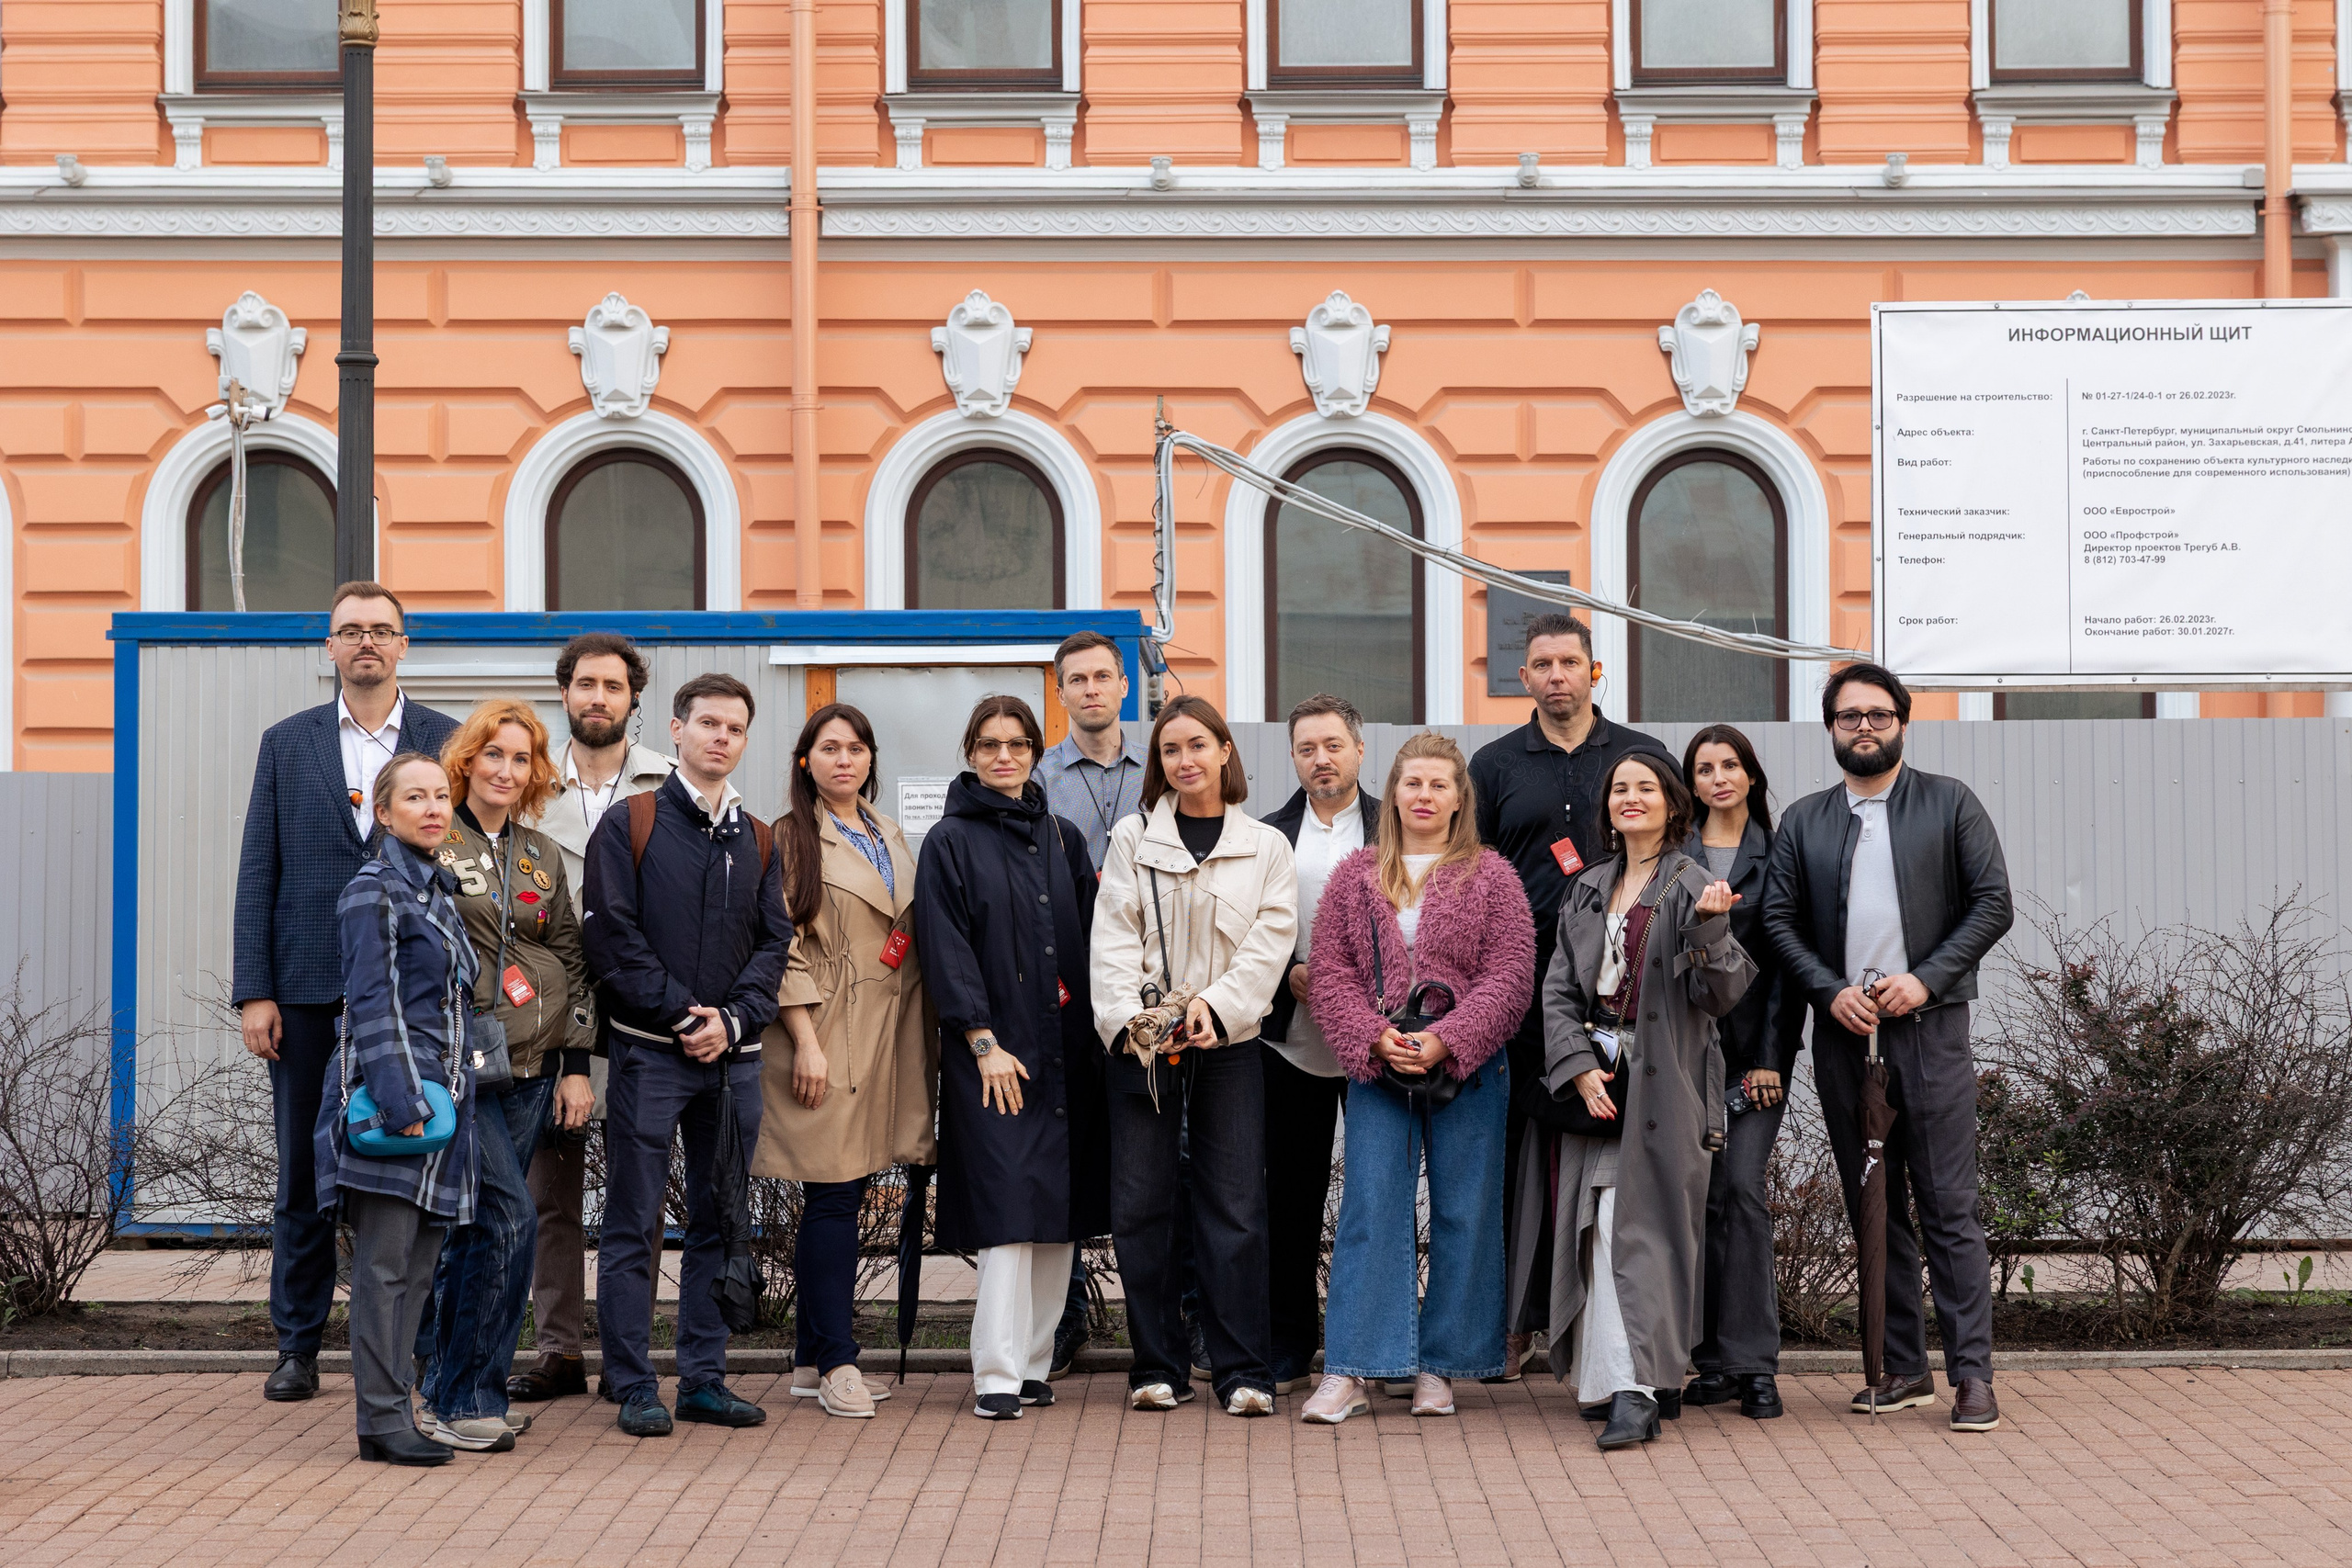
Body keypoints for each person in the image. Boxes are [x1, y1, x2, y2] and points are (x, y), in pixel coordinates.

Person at [1762, 661, 2015, 1434]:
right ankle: (1905, 1369)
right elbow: (1777, 919)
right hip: (1846, 1034)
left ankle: (1973, 1375)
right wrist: (1824, 988)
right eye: (1848, 716)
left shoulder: (1949, 803)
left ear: (1902, 720)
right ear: (1831, 727)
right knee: (1874, 1203)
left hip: (1927, 1030)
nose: (1863, 726)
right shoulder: (1805, 819)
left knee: (1948, 1206)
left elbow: (1992, 902)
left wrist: (1929, 979)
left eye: (1877, 713)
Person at [233, 581, 458, 1404]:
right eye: (350, 631)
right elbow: (260, 868)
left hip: (409, 1000)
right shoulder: (286, 743)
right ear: (328, 647)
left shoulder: (445, 739)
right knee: (303, 1174)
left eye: (381, 630)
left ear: (405, 643)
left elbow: (461, 860)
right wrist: (254, 990)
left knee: (418, 1170)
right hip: (303, 988)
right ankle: (297, 1345)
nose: (366, 642)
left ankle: (420, 1347)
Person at [1509, 750, 1751, 1451]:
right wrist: (1578, 1065)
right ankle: (1606, 1379)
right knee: (1589, 1223)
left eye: (1646, 787)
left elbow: (1722, 996)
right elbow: (1556, 990)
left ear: (1672, 804)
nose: (1631, 797)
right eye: (1620, 789)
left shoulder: (1694, 882)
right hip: (1596, 1084)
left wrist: (1711, 931)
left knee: (1630, 1225)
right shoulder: (1587, 885)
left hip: (1663, 1088)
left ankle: (1638, 1389)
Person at [1299, 733, 1534, 1424]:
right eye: (1413, 784)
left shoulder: (1492, 875)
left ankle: (1443, 1365)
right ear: (1393, 792)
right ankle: (1351, 1366)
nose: (1425, 796)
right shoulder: (1356, 873)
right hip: (1379, 1070)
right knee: (1372, 1211)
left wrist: (1445, 1039)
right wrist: (1374, 1036)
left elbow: (1511, 976)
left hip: (1468, 1069)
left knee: (1467, 1212)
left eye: (1439, 784)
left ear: (1460, 796)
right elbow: (1332, 970)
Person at [581, 672, 793, 1438]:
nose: (720, 738)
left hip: (731, 1061)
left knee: (719, 1219)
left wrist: (731, 1021)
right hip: (650, 1056)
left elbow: (775, 944)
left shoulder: (759, 837)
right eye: (707, 723)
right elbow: (610, 938)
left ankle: (704, 1377)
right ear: (674, 730)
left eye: (734, 728)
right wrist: (682, 1016)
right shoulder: (629, 823)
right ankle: (633, 1382)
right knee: (633, 1221)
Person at [1471, 612, 1674, 1377]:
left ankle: (1608, 1321)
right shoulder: (1493, 766)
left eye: (1569, 662)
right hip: (1524, 997)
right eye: (1541, 664)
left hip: (1627, 1001)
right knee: (1522, 1158)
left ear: (1596, 672)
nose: (1556, 675)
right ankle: (1520, 1320)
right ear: (1522, 678)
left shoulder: (1639, 755)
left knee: (1619, 1163)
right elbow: (1473, 875)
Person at [1091, 695, 1297, 1416]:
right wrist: (1133, 1023)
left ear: (1224, 752)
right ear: (1160, 763)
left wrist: (1217, 1007)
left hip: (1231, 1048)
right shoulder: (1131, 838)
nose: (1185, 759)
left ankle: (1244, 1369)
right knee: (1142, 1207)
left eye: (1198, 745)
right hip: (1144, 1051)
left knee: (1237, 1208)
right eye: (1171, 749)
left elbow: (1270, 943)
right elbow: (1113, 939)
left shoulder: (1266, 845)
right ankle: (1156, 1364)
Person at [912, 695, 1109, 1420]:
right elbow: (946, 948)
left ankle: (1032, 1362)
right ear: (970, 751)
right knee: (1006, 1214)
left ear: (1034, 750)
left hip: (1067, 1053)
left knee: (1059, 1215)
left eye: (1018, 744)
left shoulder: (1063, 837)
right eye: (990, 744)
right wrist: (981, 1040)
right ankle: (994, 1372)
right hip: (992, 1055)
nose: (1004, 756)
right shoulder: (949, 840)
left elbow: (1091, 942)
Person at [413, 700, 593, 1451]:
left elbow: (575, 963)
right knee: (509, 1218)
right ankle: (462, 1395)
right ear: (467, 760)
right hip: (459, 1070)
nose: (506, 770)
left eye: (521, 759)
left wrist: (575, 1067)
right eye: (494, 755)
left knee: (481, 1235)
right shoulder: (429, 836)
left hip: (530, 1068)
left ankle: (446, 1387)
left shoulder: (541, 854)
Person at [756, 703, 935, 1419]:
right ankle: (838, 1362)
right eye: (829, 748)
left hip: (889, 1029)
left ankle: (807, 1357)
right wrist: (805, 1040)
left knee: (853, 1189)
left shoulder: (888, 831)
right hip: (824, 1031)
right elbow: (782, 946)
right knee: (832, 1193)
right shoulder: (792, 837)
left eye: (857, 748)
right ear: (806, 759)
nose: (844, 760)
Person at [509, 633, 673, 1405]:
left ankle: (629, 1355)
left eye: (613, 684)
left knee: (638, 1195)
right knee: (551, 1194)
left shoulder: (667, 785)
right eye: (584, 684)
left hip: (643, 1014)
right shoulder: (529, 789)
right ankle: (560, 1350)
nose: (598, 696)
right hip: (547, 1019)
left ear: (634, 697)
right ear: (565, 694)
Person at [314, 753, 481, 1466]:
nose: (433, 807)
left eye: (442, 796)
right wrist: (400, 1101)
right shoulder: (373, 889)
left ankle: (393, 1412)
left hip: (442, 1108)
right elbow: (371, 1004)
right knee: (384, 1269)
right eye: (415, 797)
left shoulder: (434, 888)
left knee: (417, 1270)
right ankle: (381, 1419)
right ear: (383, 813)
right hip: (399, 1107)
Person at [1679, 725, 1808, 1423]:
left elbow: (1786, 964)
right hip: (1688, 1057)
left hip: (1754, 1058)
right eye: (1705, 767)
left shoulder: (1777, 851)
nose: (1719, 776)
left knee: (1741, 1190)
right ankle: (1710, 1360)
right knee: (1697, 1196)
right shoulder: (1677, 855)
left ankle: (1755, 1363)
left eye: (1731, 765)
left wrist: (1769, 1058)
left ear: (1751, 775)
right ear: (1691, 781)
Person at [1255, 693, 1380, 1394]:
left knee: (1378, 1198)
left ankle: (1379, 1344)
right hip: (1291, 1043)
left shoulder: (1397, 829)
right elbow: (1250, 933)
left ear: (1359, 750)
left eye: (1333, 744)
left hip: (1380, 1044)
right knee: (1290, 1198)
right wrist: (1287, 973)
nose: (1321, 758)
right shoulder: (1270, 834)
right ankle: (1288, 1342)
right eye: (1307, 747)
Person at [1033, 629, 1147, 1375]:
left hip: (1155, 987)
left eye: (1103, 676)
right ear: (1062, 690)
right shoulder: (1037, 778)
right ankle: (1068, 1315)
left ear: (1123, 685)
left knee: (1157, 1154)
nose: (1092, 689)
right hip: (1070, 985)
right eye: (1077, 679)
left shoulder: (1163, 764)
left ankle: (1167, 1315)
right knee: (1068, 1152)